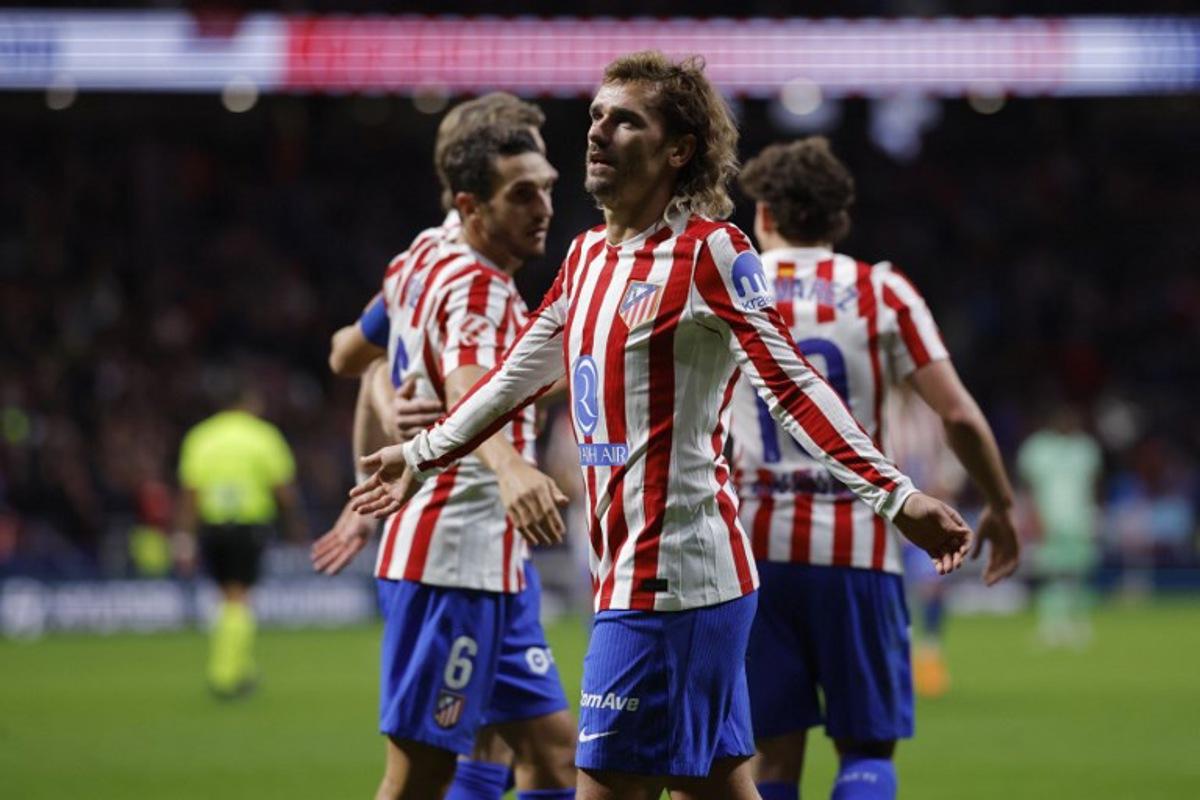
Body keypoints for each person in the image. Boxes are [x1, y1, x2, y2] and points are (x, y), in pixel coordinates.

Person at [351, 52, 972, 800]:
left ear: (679, 150)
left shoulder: (712, 251)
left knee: (606, 786)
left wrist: (897, 498)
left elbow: (794, 388)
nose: (599, 132)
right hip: (637, 572)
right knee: (718, 788)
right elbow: (515, 375)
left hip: (673, 578)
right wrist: (420, 453)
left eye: (625, 120)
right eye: (596, 117)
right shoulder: (586, 258)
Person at [731, 137, 1020, 800]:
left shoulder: (728, 288)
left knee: (771, 758)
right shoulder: (881, 291)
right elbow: (960, 417)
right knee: (867, 752)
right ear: (840, 220)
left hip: (753, 554)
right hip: (859, 551)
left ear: (766, 215)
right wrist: (999, 506)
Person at [314, 124, 577, 800]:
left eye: (547, 190)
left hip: (492, 561)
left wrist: (385, 385)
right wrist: (512, 467)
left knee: (553, 757)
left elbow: (347, 354)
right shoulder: (481, 289)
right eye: (523, 195)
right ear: (471, 204)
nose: (544, 208)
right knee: (420, 779)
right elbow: (468, 385)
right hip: (451, 559)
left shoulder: (422, 255)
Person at [175, 382, 305, 698]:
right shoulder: (263, 436)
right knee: (240, 597)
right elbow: (282, 488)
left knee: (227, 597)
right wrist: (296, 528)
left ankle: (241, 669)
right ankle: (224, 674)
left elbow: (191, 492)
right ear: (247, 401)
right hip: (249, 526)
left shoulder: (201, 437)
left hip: (213, 526)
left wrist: (184, 536)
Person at [1017, 405, 1102, 648]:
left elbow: (1095, 484)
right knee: (1050, 574)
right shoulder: (1037, 449)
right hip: (1049, 520)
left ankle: (1078, 623)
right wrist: (1033, 518)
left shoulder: (1085, 448)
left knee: (1077, 574)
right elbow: (1029, 488)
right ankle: (1052, 624)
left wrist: (1094, 514)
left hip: (1079, 520)